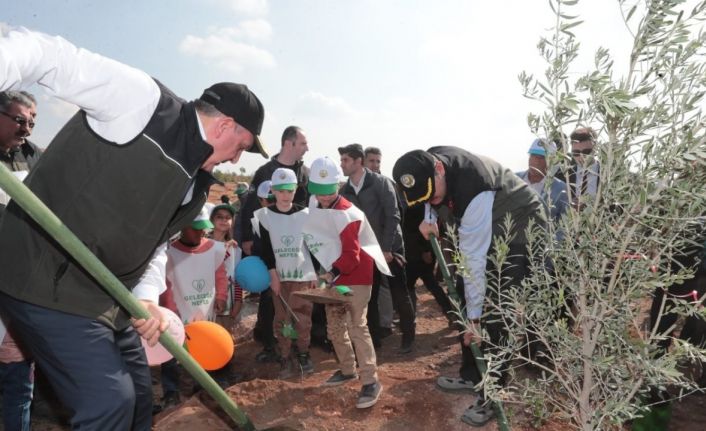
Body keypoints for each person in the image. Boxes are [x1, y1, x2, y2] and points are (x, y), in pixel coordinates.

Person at [0, 26, 266, 430]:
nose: (235, 159)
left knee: (141, 397)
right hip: (45, 283)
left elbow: (154, 246)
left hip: (108, 298)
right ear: (225, 126)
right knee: (109, 403)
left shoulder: (195, 181)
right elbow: (47, 53)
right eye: (242, 147)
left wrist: (144, 297)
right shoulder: (143, 104)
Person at [392, 146, 545, 427]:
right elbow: (428, 197)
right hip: (483, 224)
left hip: (518, 226)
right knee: (463, 292)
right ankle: (471, 374)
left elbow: (474, 260)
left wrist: (474, 320)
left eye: (434, 194)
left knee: (496, 306)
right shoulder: (427, 163)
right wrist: (428, 219)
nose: (433, 199)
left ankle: (493, 392)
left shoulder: (473, 188)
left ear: (439, 170)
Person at [302, 156, 388, 409]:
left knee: (356, 326)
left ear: (338, 186)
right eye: (319, 193)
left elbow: (353, 255)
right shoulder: (315, 204)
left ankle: (371, 381)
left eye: (328, 193)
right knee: (335, 326)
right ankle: (347, 369)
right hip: (335, 274)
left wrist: (330, 274)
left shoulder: (349, 215)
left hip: (357, 277)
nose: (324, 198)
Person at [338, 143, 415, 353]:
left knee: (400, 294)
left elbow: (393, 216)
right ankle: (374, 339)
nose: (342, 164)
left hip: (390, 249)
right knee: (368, 298)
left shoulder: (381, 183)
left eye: (345, 160)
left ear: (357, 161)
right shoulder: (344, 190)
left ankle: (409, 336)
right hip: (364, 251)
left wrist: (387, 249)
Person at [158, 207, 228, 407]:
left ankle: (202, 385)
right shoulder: (169, 253)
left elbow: (220, 275)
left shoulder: (214, 249)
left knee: (204, 346)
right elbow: (166, 285)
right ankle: (171, 391)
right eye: (195, 229)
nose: (200, 233)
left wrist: (221, 296)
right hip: (177, 312)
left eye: (203, 228)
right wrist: (172, 311)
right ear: (182, 227)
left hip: (205, 310)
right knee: (172, 351)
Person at [0, 90, 40, 431]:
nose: (26, 128)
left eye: (32, 122)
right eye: (19, 120)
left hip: (19, 289)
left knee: (18, 384)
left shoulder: (33, 157)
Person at [252, 168, 317, 379]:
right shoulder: (264, 216)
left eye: (289, 190)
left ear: (295, 189)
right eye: (280, 191)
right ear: (273, 191)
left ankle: (304, 353)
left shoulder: (305, 214)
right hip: (280, 277)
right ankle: (285, 355)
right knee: (282, 318)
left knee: (302, 317)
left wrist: (315, 273)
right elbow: (266, 249)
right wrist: (273, 276)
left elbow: (313, 245)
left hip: (303, 276)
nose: (285, 195)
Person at [240, 125, 310, 256]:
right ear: (289, 144)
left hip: (297, 246)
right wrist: (247, 237)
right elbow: (249, 206)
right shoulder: (264, 172)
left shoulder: (306, 174)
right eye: (303, 144)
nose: (307, 148)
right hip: (267, 243)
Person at [515, 138, 569, 227]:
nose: (536, 161)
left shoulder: (561, 189)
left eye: (542, 158)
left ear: (551, 161)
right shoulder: (514, 180)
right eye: (533, 155)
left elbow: (563, 225)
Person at [209, 203, 244, 330]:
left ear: (232, 222)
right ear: (212, 220)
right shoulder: (202, 244)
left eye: (227, 217)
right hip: (205, 297)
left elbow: (237, 276)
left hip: (228, 300)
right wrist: (224, 250)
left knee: (224, 333)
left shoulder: (235, 249)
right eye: (219, 217)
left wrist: (239, 300)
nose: (224, 220)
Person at [556, 127, 600, 208]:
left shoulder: (609, 175)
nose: (581, 157)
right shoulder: (562, 175)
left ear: (596, 148)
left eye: (586, 152)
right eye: (576, 153)